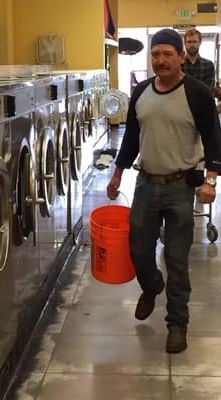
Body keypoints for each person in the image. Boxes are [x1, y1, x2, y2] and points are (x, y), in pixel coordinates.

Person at [107, 28, 221, 354]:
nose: (160, 60)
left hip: (181, 186)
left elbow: (214, 138)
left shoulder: (197, 93)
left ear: (180, 56)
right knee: (139, 251)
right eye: (155, 54)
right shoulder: (141, 91)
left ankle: (177, 324)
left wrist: (211, 179)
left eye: (167, 54)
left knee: (177, 259)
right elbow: (130, 140)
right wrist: (117, 174)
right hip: (145, 184)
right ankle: (151, 284)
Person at [183, 28, 215, 94]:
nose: (192, 45)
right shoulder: (178, 65)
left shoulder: (208, 65)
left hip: (202, 103)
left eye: (195, 41)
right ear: (185, 43)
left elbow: (209, 91)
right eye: (189, 42)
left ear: (200, 42)